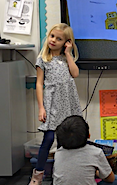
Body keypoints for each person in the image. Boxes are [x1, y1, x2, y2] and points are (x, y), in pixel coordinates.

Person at [29, 23, 82, 185]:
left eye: (59, 39)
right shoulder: (43, 59)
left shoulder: (67, 58)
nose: (54, 40)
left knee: (66, 141)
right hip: (52, 105)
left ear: (66, 42)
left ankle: (64, 173)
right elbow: (39, 84)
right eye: (52, 36)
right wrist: (41, 108)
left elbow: (75, 74)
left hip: (68, 103)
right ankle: (37, 175)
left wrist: (67, 53)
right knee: (48, 139)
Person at [53, 115, 117, 185]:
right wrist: (96, 173)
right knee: (116, 180)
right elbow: (110, 178)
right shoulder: (96, 152)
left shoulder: (58, 153)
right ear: (88, 135)